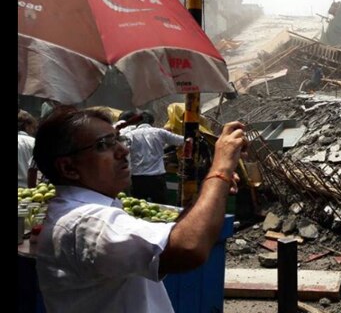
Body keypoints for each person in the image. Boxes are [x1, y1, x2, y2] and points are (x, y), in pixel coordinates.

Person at [33, 106, 247, 312]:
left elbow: (172, 240)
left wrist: (211, 191)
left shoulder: (80, 213)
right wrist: (221, 166)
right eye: (103, 144)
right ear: (68, 168)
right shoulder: (88, 222)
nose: (123, 149)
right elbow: (189, 247)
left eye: (117, 139)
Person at [126, 110, 184, 204]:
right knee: (161, 207)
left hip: (138, 179)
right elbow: (182, 140)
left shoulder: (130, 135)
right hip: (157, 178)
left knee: (138, 208)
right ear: (151, 122)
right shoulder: (160, 132)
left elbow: (122, 150)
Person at [18, 109, 38, 188]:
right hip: (27, 191)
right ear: (27, 126)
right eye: (33, 127)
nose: (33, 131)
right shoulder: (33, 142)